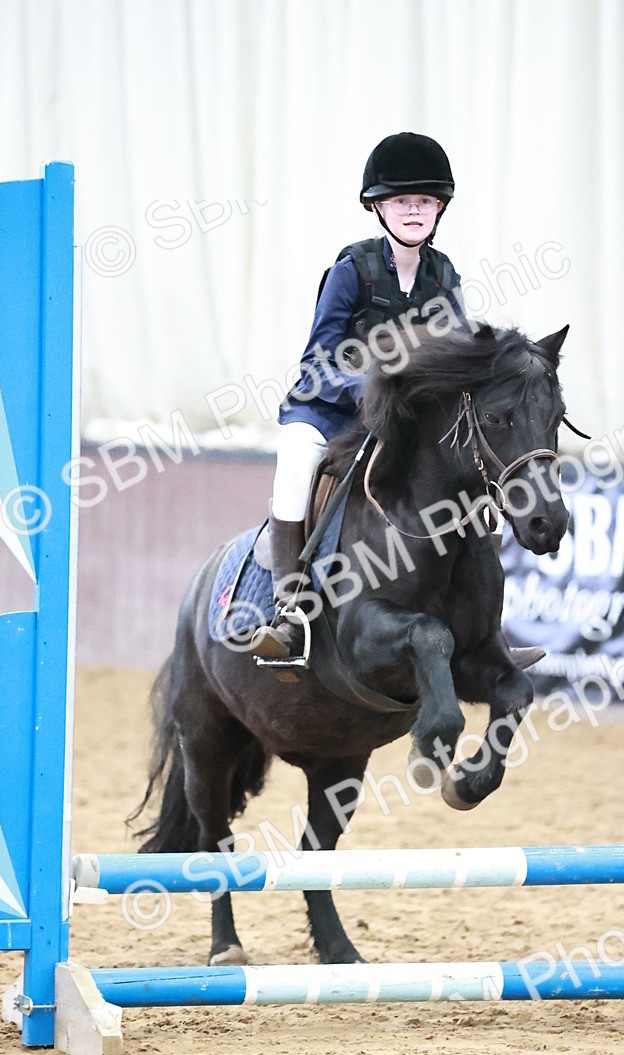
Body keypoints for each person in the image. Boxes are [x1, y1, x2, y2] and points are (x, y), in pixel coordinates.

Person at [250, 131, 463, 661]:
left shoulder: (445, 277)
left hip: (400, 424)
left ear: (439, 208)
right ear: (378, 207)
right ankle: (290, 611)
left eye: (425, 202)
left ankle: (477, 619)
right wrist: (374, 387)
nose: (415, 211)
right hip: (328, 412)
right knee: (296, 463)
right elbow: (317, 362)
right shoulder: (352, 271)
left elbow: (458, 358)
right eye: (402, 202)